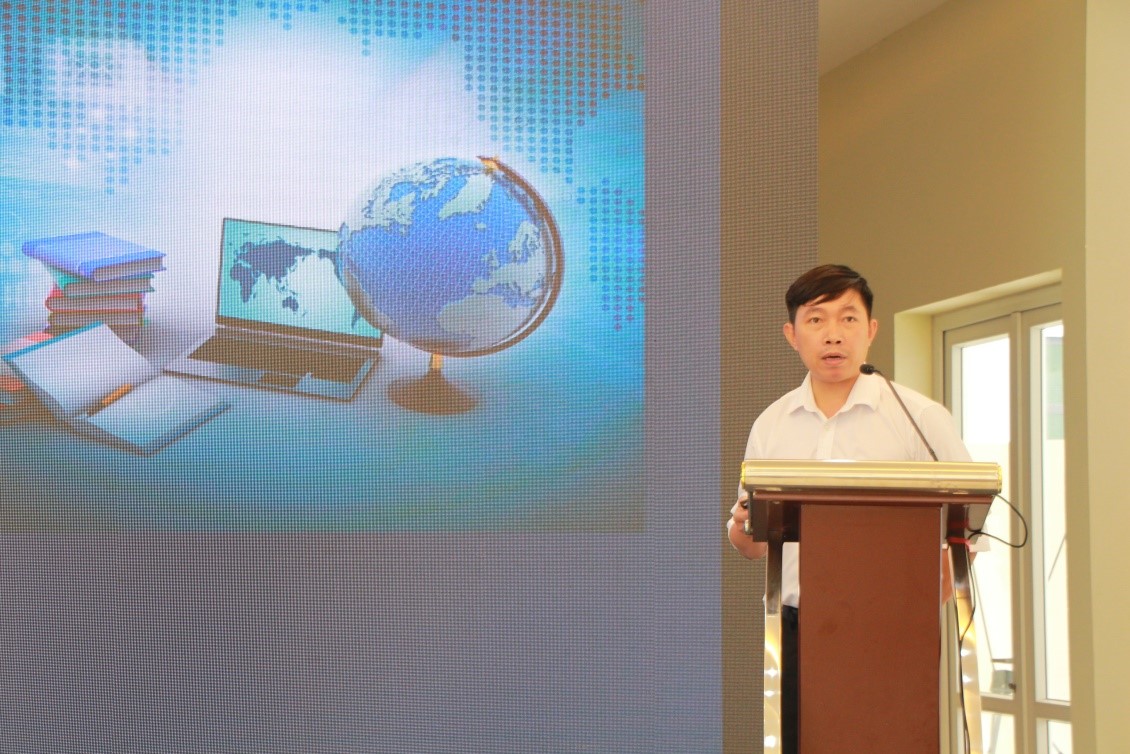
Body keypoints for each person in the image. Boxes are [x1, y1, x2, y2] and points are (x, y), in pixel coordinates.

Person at [726, 263, 971, 754]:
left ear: (871, 330)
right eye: (816, 320)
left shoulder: (918, 417)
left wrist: (922, 602)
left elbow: (968, 527)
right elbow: (752, 545)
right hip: (798, 624)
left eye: (848, 319)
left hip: (894, 625)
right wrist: (739, 527)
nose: (833, 334)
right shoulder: (771, 424)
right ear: (792, 334)